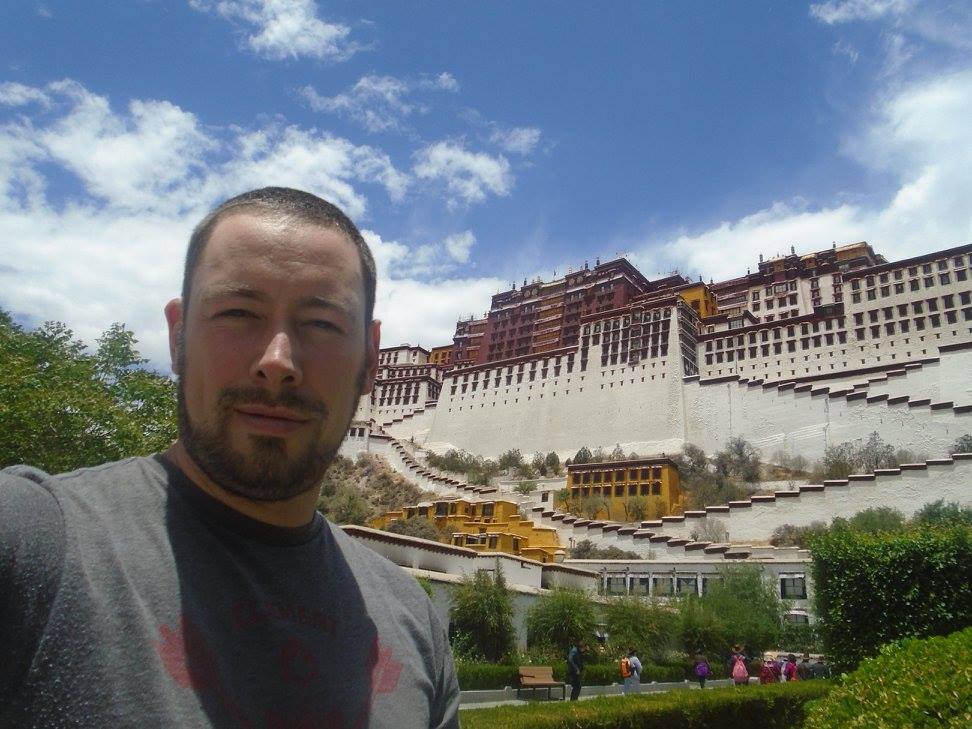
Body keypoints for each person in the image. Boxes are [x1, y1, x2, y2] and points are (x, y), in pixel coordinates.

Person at [0, 188, 460, 728]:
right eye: (238, 313)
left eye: (321, 324)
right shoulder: (33, 544)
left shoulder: (412, 628)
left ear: (369, 358)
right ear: (176, 337)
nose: (277, 363)